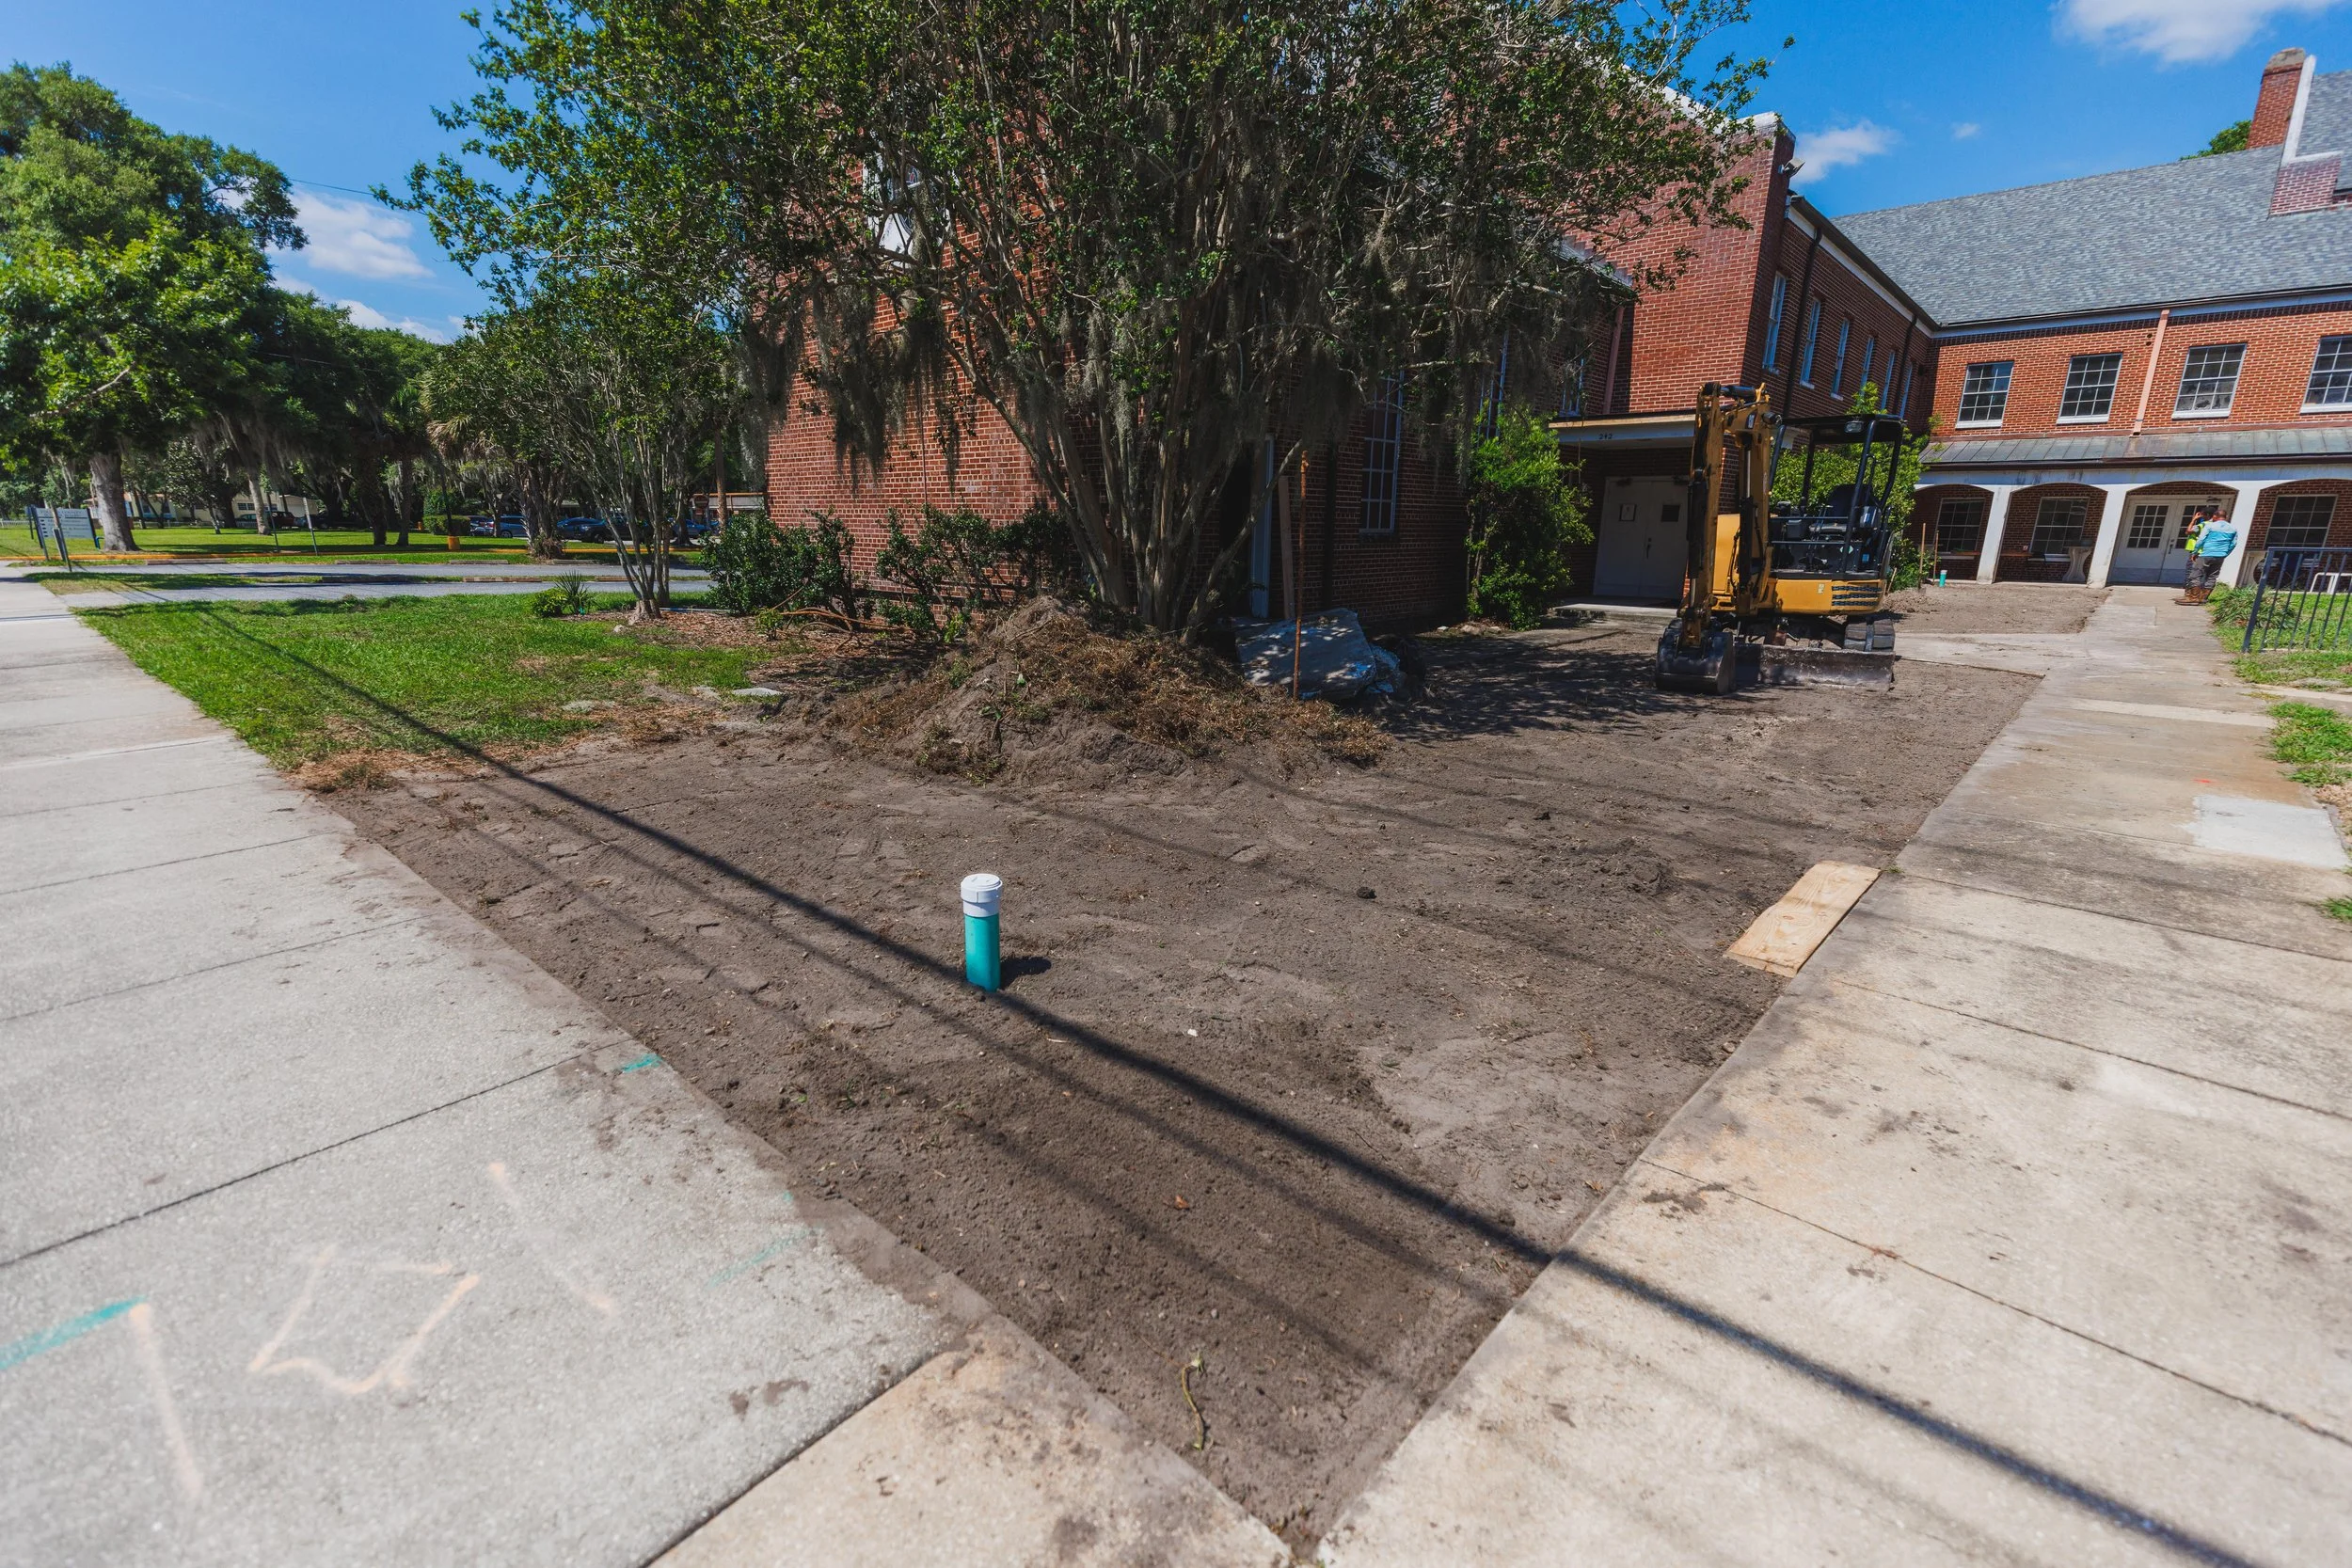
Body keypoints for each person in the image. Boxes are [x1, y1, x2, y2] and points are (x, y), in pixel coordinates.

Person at [2181, 507, 2238, 605]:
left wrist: (2195, 552)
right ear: (2226, 517)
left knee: (2195, 575)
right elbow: (2233, 544)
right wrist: (2225, 553)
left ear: (2215, 516)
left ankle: (2194, 598)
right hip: (2220, 555)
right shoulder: (2233, 529)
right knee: (2212, 577)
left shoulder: (2210, 526)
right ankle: (2203, 598)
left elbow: (2201, 540)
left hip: (2206, 553)